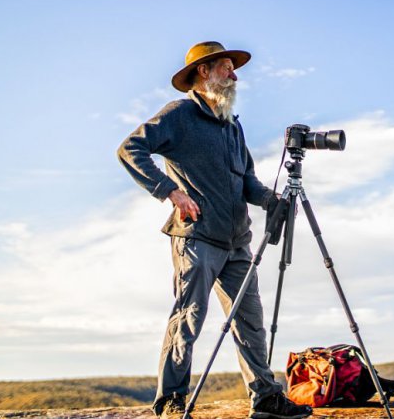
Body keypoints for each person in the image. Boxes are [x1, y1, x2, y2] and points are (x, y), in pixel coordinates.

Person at [117, 41, 313, 419]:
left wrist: (272, 200)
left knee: (250, 321)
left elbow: (247, 182)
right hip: (196, 239)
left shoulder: (231, 125)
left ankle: (266, 397)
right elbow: (130, 149)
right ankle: (171, 401)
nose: (234, 75)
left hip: (237, 241)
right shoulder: (179, 114)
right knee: (188, 319)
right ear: (204, 72)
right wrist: (171, 192)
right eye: (226, 67)